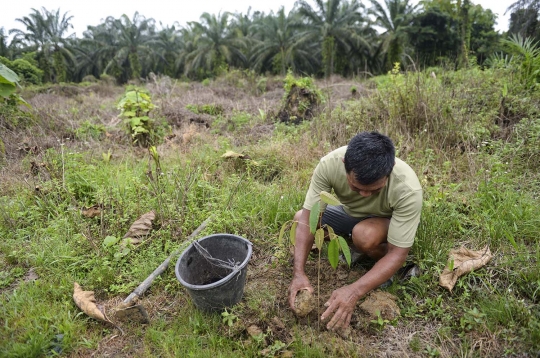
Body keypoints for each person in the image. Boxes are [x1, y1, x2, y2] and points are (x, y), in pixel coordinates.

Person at [287, 131, 422, 331]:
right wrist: (298, 272)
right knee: (299, 218)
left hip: (383, 222)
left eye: (374, 190)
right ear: (344, 164)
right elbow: (308, 221)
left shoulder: (408, 189)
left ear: (390, 170)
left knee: (364, 236)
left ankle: (392, 268)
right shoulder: (330, 164)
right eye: (356, 188)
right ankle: (355, 247)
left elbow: (397, 253)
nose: (365, 195)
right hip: (349, 214)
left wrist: (354, 291)